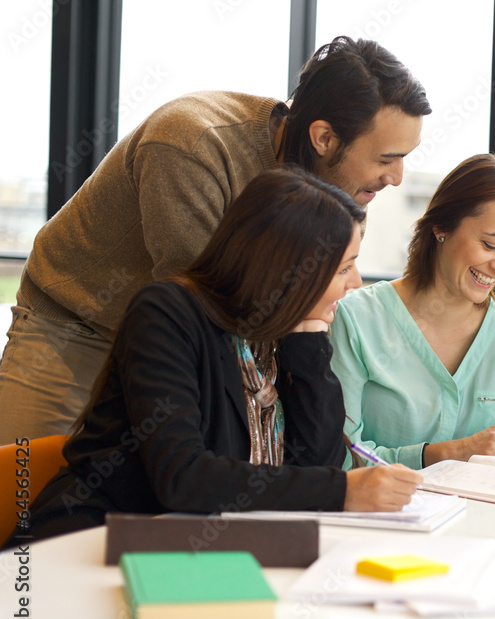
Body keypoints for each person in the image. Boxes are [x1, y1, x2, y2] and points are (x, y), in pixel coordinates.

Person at [0, 35, 431, 444]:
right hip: (78, 325)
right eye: (386, 159)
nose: (395, 178)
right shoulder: (192, 143)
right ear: (323, 138)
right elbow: (200, 309)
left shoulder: (345, 189)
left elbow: (300, 306)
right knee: (28, 504)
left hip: (190, 346)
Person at [4, 167, 422, 547]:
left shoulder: (278, 333)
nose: (356, 283)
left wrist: (309, 342)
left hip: (203, 546)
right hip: (94, 542)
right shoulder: (167, 313)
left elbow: (320, 459)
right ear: (289, 271)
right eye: (343, 269)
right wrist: (342, 491)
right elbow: (183, 478)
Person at [329, 154, 495, 469]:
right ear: (441, 227)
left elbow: (488, 436)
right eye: (490, 245)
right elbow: (341, 456)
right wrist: (439, 455)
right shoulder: (354, 319)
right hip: (377, 512)